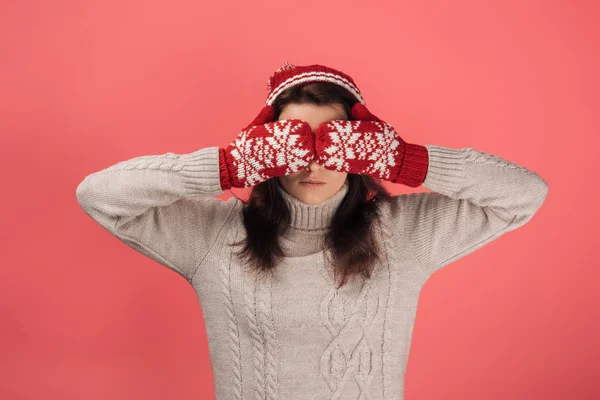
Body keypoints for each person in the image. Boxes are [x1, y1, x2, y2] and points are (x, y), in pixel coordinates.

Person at [75, 62, 548, 400]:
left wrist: (406, 159)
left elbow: (524, 192)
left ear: (363, 152)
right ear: (267, 149)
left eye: (335, 143)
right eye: (295, 142)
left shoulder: (404, 234)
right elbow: (99, 194)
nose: (315, 161)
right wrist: (227, 165)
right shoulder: (213, 236)